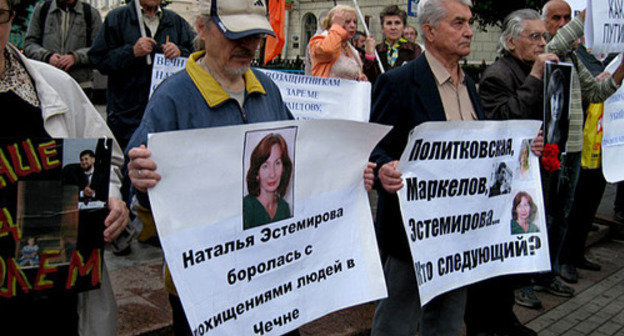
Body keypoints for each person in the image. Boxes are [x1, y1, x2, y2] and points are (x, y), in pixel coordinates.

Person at [0, 0, 129, 335]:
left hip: (55, 296)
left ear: (11, 16)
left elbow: (108, 158)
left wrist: (112, 197)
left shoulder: (55, 86)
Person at [369, 1, 482, 335]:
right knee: (396, 323)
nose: (469, 31)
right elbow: (375, 147)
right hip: (411, 236)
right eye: (458, 22)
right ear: (429, 31)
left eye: (470, 22)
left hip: (460, 232)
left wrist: (522, 150)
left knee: (447, 321)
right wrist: (383, 169)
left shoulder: (469, 85)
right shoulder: (399, 82)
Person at [465, 10, 552, 332]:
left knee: (513, 254)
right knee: (495, 254)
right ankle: (485, 321)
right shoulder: (499, 75)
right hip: (501, 183)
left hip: (527, 174)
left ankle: (503, 315)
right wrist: (536, 77)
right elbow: (504, 120)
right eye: (535, 36)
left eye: (545, 36)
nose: (543, 42)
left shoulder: (536, 69)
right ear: (512, 41)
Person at [542, 0, 624, 288]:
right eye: (556, 18)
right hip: (552, 150)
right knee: (548, 215)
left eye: (569, 17)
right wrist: (595, 12)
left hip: (574, 147)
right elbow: (560, 40)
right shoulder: (546, 53)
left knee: (563, 214)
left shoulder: (574, 59)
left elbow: (597, 91)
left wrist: (621, 68)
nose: (563, 23)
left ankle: (554, 269)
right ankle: (543, 272)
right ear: (544, 24)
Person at [88, 0, 195, 150]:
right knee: (129, 165)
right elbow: (97, 59)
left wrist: (180, 52)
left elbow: (197, 55)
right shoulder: (117, 18)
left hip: (165, 114)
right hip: (126, 117)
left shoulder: (175, 21)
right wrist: (131, 52)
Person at [23, 0, 102, 92]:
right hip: (47, 85)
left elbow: (99, 49)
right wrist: (47, 56)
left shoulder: (91, 13)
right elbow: (29, 44)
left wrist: (76, 57)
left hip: (80, 86)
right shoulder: (42, 10)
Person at [243, 133, 293, 229]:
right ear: (257, 173)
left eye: (277, 163)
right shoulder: (246, 207)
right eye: (265, 166)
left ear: (284, 168)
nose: (272, 174)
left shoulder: (284, 207)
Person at [363, 5, 421, 84]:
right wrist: (369, 56)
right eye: (389, 23)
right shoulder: (376, 50)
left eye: (397, 23)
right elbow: (369, 80)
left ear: (403, 27)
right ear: (382, 28)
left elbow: (417, 77)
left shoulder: (413, 49)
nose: (393, 27)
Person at [308, 5, 367, 80]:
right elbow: (328, 50)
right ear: (334, 24)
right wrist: (336, 27)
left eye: (355, 22)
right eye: (347, 22)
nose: (353, 26)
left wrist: (359, 78)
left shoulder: (352, 50)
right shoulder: (319, 40)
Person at [545, 68, 567, 147]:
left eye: (560, 97)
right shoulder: (541, 129)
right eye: (554, 98)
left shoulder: (565, 133)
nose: (557, 106)